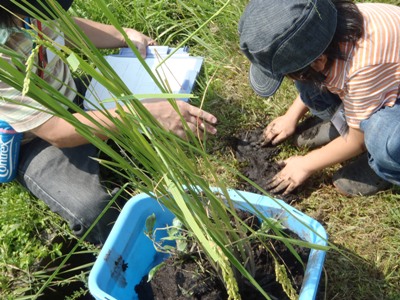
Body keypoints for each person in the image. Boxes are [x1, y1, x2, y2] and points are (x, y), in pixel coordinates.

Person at [0, 0, 218, 245]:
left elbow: (62, 27)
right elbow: (57, 131)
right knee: (92, 209)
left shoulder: (28, 9)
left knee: (165, 106)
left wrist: (122, 36)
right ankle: (141, 253)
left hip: (74, 96)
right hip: (37, 138)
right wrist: (142, 114)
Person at [238, 0, 400, 196]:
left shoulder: (363, 68)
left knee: (384, 137)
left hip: (388, 92)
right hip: (374, 83)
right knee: (307, 80)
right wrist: (291, 116)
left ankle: (383, 165)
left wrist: (306, 164)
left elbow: (358, 141)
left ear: (319, 60)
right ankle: (345, 122)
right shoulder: (326, 27)